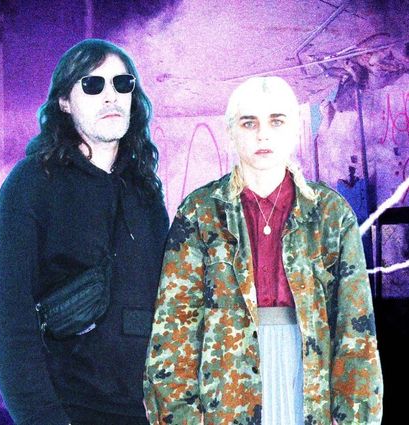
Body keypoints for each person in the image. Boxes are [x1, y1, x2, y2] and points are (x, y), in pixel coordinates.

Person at [143, 77, 383, 425]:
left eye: (276, 121)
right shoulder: (199, 213)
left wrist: (355, 416)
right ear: (231, 132)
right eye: (249, 123)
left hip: (308, 383)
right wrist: (179, 415)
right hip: (225, 389)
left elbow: (355, 328)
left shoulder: (330, 214)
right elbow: (174, 325)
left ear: (295, 130)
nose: (262, 135)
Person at [0, 39, 169, 425]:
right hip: (68, 411)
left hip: (146, 412)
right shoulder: (32, 184)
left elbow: (168, 305)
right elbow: (7, 317)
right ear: (64, 102)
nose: (110, 96)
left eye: (122, 83)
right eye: (92, 84)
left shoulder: (145, 191)